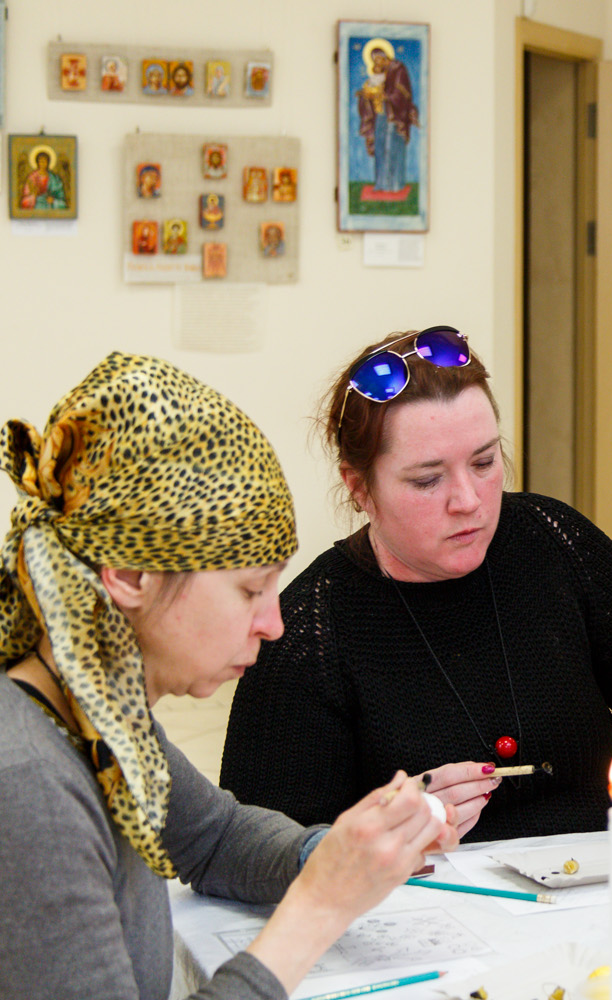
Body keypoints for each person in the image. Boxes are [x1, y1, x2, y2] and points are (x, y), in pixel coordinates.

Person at [0, 353, 456, 999]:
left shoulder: (99, 716)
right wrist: (320, 906)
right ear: (128, 575)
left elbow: (212, 837)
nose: (274, 624)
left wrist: (337, 855)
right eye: (250, 590)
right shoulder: (28, 784)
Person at [221, 328, 612, 841]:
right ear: (360, 488)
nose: (468, 500)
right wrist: (389, 827)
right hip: (425, 891)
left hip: (607, 874)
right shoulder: (311, 629)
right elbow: (260, 850)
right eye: (427, 480)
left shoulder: (550, 540)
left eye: (484, 462)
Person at [357, 40, 420, 194]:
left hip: (395, 116)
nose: (376, 63)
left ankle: (395, 184)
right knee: (380, 147)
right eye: (374, 61)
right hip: (381, 114)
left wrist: (386, 96)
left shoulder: (398, 69)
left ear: (385, 57)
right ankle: (381, 184)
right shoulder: (380, 73)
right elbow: (374, 88)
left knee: (392, 148)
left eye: (378, 59)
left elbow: (402, 93)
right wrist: (366, 96)